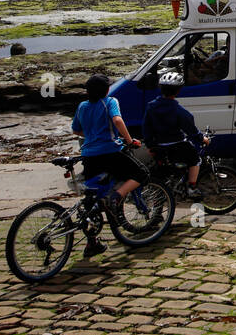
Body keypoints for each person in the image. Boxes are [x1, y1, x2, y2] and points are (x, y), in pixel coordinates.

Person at [71, 73, 145, 256]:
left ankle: (92, 243)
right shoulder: (110, 101)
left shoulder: (82, 106)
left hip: (88, 155)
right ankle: (117, 196)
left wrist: (91, 136)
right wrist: (128, 140)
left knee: (91, 199)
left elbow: (76, 130)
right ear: (105, 90)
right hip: (109, 152)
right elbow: (118, 120)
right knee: (141, 174)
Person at [142, 71, 209, 200]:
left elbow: (146, 128)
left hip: (159, 146)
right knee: (195, 159)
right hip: (177, 145)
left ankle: (159, 209)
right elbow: (192, 131)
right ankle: (192, 187)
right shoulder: (179, 111)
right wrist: (202, 138)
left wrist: (150, 145)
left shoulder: (151, 107)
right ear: (178, 91)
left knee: (161, 175)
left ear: (161, 89)